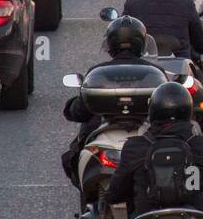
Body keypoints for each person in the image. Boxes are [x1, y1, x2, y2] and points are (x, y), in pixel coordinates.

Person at [104, 82, 203, 219]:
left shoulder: (135, 147)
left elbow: (114, 194)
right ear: (188, 110)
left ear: (153, 110)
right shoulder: (199, 144)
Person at [61, 16, 164, 187]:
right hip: (148, 134)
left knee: (73, 155)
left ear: (110, 44)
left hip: (103, 134)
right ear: (142, 43)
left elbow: (79, 111)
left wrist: (72, 106)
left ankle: (88, 197)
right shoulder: (156, 72)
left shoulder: (98, 73)